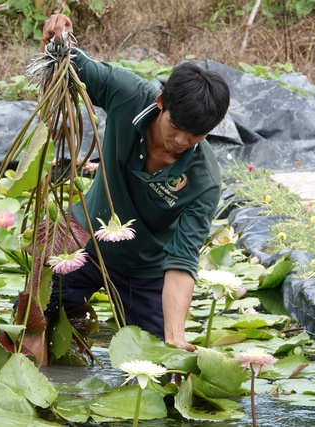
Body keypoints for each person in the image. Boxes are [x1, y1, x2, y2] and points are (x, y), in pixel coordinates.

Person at [35, 14, 230, 362]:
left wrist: (174, 338)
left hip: (145, 269)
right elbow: (68, 63)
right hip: (84, 238)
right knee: (35, 319)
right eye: (177, 126)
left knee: (154, 365)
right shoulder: (128, 94)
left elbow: (182, 262)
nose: (182, 141)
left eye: (196, 135)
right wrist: (56, 36)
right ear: (160, 104)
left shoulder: (203, 180)